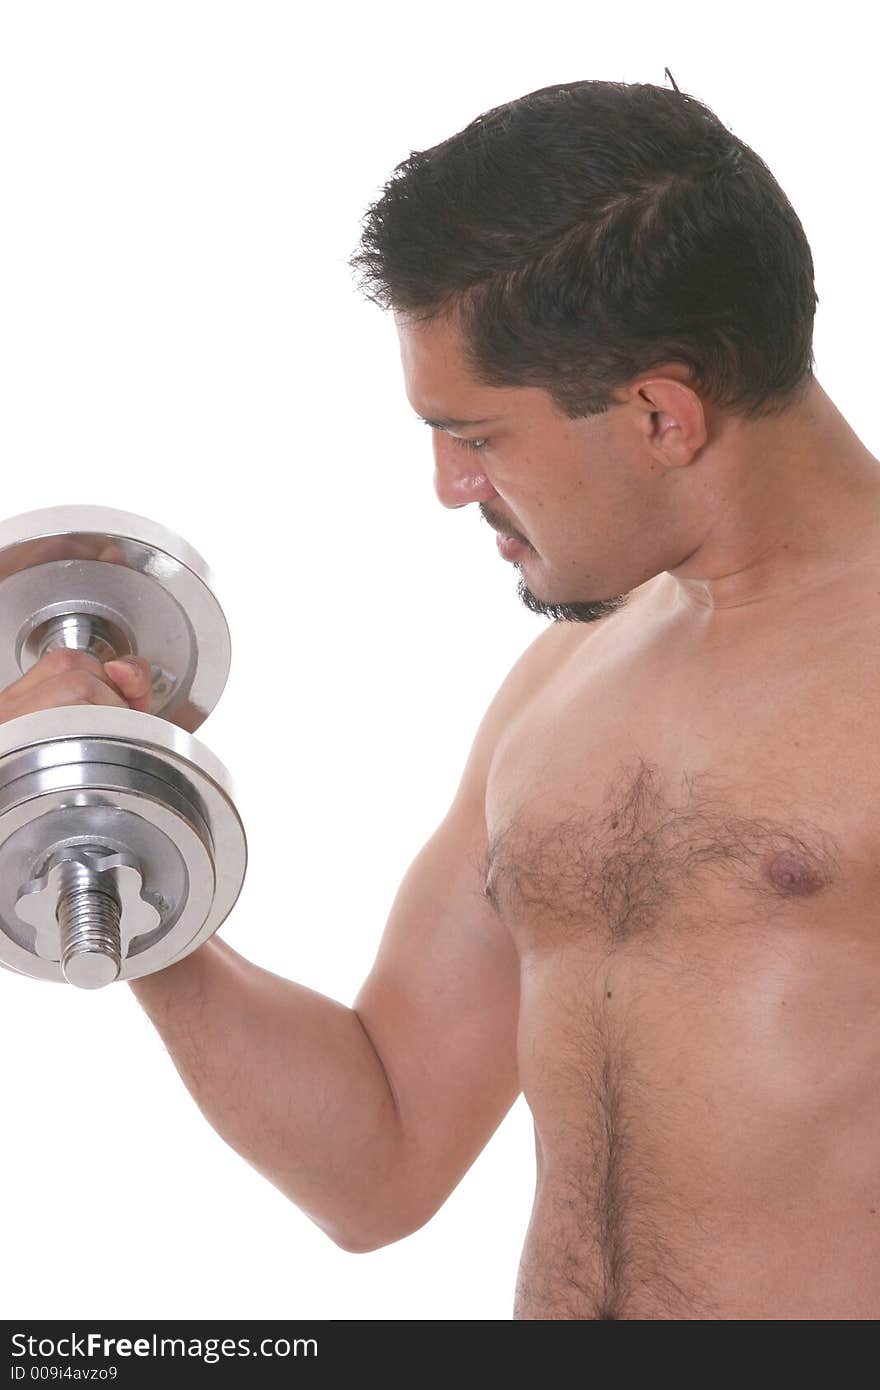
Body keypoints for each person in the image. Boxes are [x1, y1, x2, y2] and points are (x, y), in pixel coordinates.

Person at [3, 77, 878, 1320]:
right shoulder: (563, 690)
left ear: (658, 414)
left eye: (478, 436)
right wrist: (118, 830)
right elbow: (381, 1160)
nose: (448, 486)